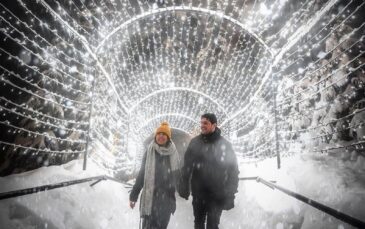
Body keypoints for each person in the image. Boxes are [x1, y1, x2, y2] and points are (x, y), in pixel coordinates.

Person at [178, 113, 239, 229]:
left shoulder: (225, 145)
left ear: (214, 125)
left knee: (213, 225)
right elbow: (187, 167)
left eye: (205, 123)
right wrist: (183, 186)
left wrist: (231, 194)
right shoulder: (195, 143)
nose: (202, 125)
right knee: (198, 223)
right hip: (198, 194)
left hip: (217, 195)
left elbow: (233, 171)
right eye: (201, 123)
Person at [129, 122, 181, 229]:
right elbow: (142, 175)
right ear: (155, 136)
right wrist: (134, 195)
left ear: (168, 138)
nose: (161, 136)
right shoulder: (149, 152)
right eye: (159, 134)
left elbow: (177, 179)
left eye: (164, 134)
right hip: (150, 199)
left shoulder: (173, 154)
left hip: (166, 201)